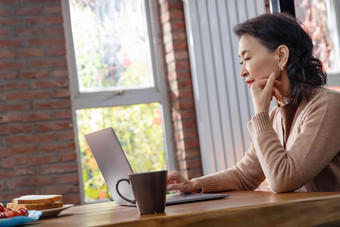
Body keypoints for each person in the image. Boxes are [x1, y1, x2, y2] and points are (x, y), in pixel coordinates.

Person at [167, 13, 340, 193]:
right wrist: (195, 184)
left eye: (247, 58)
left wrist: (260, 112)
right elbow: (244, 176)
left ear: (281, 55)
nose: (242, 71)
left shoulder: (328, 105)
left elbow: (283, 179)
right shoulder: (274, 117)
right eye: (241, 61)